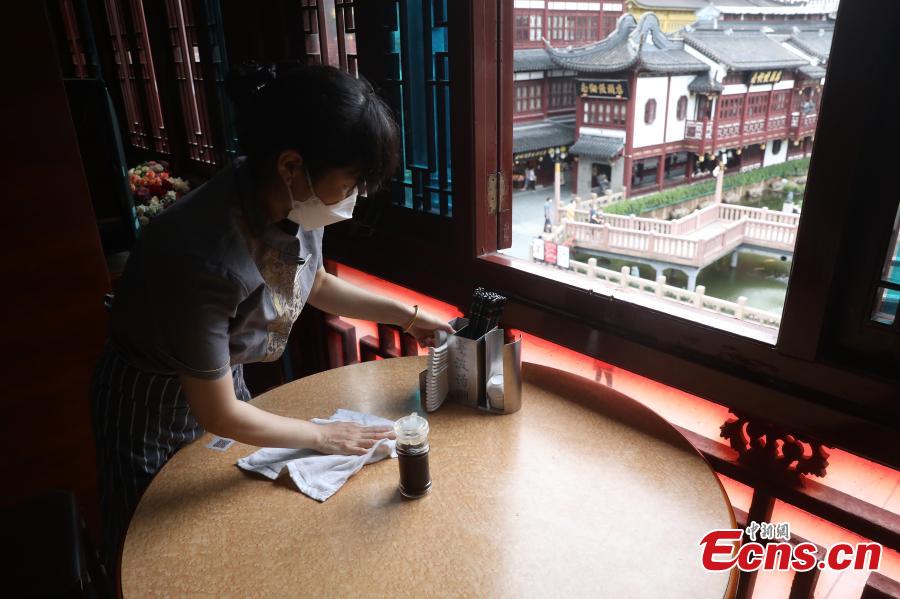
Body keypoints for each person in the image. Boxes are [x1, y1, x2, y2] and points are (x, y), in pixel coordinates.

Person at [89, 61, 455, 570]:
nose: (356, 196)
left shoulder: (291, 198)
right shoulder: (199, 252)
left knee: (219, 522)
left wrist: (411, 317)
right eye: (352, 182)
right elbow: (218, 413)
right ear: (290, 165)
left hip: (221, 383)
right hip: (149, 404)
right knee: (149, 547)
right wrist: (325, 436)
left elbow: (314, 283)